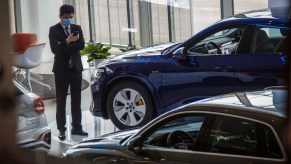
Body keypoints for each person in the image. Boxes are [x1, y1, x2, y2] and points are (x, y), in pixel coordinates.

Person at [49, 4, 88, 140]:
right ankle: (61, 129)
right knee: (61, 101)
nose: (69, 20)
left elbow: (81, 45)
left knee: (76, 100)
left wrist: (65, 46)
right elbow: (55, 49)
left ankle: (77, 127)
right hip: (61, 71)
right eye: (66, 18)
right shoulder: (54, 30)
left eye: (71, 17)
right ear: (60, 17)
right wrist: (68, 41)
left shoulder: (77, 28)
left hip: (76, 69)